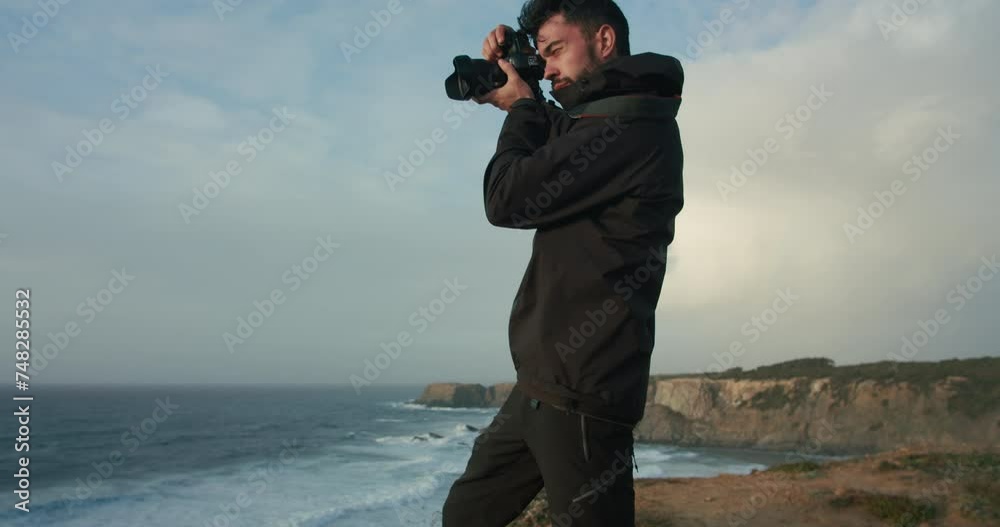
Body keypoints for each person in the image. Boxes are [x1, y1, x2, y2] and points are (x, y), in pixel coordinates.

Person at [441, 1, 684, 525]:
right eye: (542, 56)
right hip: (541, 384)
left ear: (603, 41)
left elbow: (507, 199)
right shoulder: (611, 121)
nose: (548, 68)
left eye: (554, 51)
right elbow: (568, 144)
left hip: (585, 395)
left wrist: (523, 110)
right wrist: (520, 87)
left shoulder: (636, 127)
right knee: (465, 515)